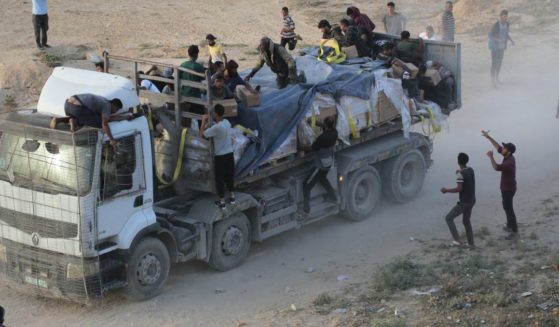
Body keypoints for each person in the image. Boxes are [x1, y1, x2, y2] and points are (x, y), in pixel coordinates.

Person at [482, 130, 518, 240]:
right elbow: (498, 147)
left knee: (509, 209)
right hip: (506, 187)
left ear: (509, 151)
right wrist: (488, 137)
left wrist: (490, 157)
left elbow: (496, 167)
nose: (502, 149)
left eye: (505, 148)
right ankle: (509, 226)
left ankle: (515, 232)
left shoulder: (509, 162)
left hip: (508, 189)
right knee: (506, 207)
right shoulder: (507, 156)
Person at [49, 94, 123, 146]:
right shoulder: (107, 106)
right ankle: (75, 121)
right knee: (99, 123)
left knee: (86, 117)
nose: (115, 111)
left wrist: (126, 117)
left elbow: (107, 118)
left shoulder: (103, 100)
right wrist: (111, 139)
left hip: (68, 105)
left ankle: (58, 120)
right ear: (114, 105)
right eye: (116, 109)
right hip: (77, 108)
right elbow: (105, 124)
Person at [200, 104, 235, 209]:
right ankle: (232, 197)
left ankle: (222, 201)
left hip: (220, 156)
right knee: (229, 176)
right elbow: (218, 127)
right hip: (230, 154)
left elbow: (202, 134)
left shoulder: (216, 128)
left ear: (215, 113)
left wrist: (203, 122)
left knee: (220, 179)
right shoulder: (227, 123)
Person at [301, 116, 338, 215]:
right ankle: (334, 198)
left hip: (320, 165)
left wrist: (300, 146)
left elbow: (311, 148)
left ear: (325, 125)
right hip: (329, 162)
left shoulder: (322, 138)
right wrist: (315, 122)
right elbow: (325, 127)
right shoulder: (334, 133)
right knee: (322, 179)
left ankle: (306, 209)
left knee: (306, 185)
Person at [441, 153, 476, 249]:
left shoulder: (460, 174)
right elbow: (465, 175)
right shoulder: (471, 170)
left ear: (458, 161)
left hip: (464, 202)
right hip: (472, 200)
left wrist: (446, 190)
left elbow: (459, 189)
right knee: (466, 221)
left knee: (448, 218)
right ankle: (471, 244)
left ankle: (457, 240)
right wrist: (459, 172)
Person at [488, 10, 514, 87]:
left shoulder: (507, 24)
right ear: (501, 16)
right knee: (494, 63)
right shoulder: (496, 25)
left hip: (501, 47)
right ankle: (492, 82)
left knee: (499, 64)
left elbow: (506, 34)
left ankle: (497, 78)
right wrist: (498, 39)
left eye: (506, 16)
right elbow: (490, 35)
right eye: (504, 16)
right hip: (494, 47)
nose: (506, 17)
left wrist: (511, 40)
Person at [180, 45, 206, 114]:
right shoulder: (198, 66)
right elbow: (204, 78)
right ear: (196, 54)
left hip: (184, 94)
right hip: (195, 95)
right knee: (201, 114)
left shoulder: (182, 65)